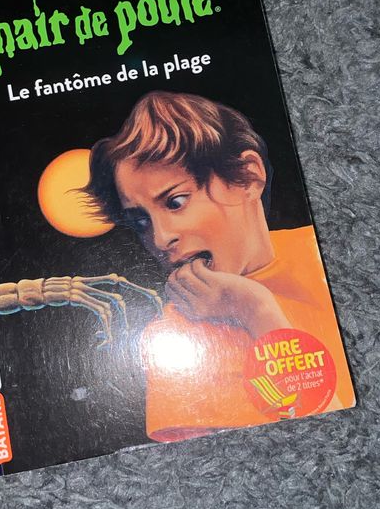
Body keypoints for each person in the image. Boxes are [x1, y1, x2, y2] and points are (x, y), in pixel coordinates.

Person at [84, 91, 355, 442]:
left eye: (176, 202)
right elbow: (332, 440)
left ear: (248, 177)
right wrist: (255, 310)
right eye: (140, 221)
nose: (160, 238)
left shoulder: (325, 250)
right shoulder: (173, 334)